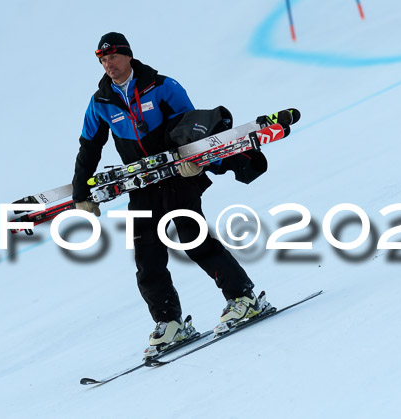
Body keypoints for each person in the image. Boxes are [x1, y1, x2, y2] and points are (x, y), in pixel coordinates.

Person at [72, 32, 270, 352]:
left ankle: (243, 298)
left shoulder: (163, 86)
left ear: (128, 56)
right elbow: (89, 146)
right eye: (102, 59)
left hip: (179, 174)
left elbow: (193, 127)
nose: (108, 64)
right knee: (147, 256)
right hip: (143, 184)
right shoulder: (101, 102)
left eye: (113, 57)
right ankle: (170, 323)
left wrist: (196, 162)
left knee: (193, 238)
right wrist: (82, 192)